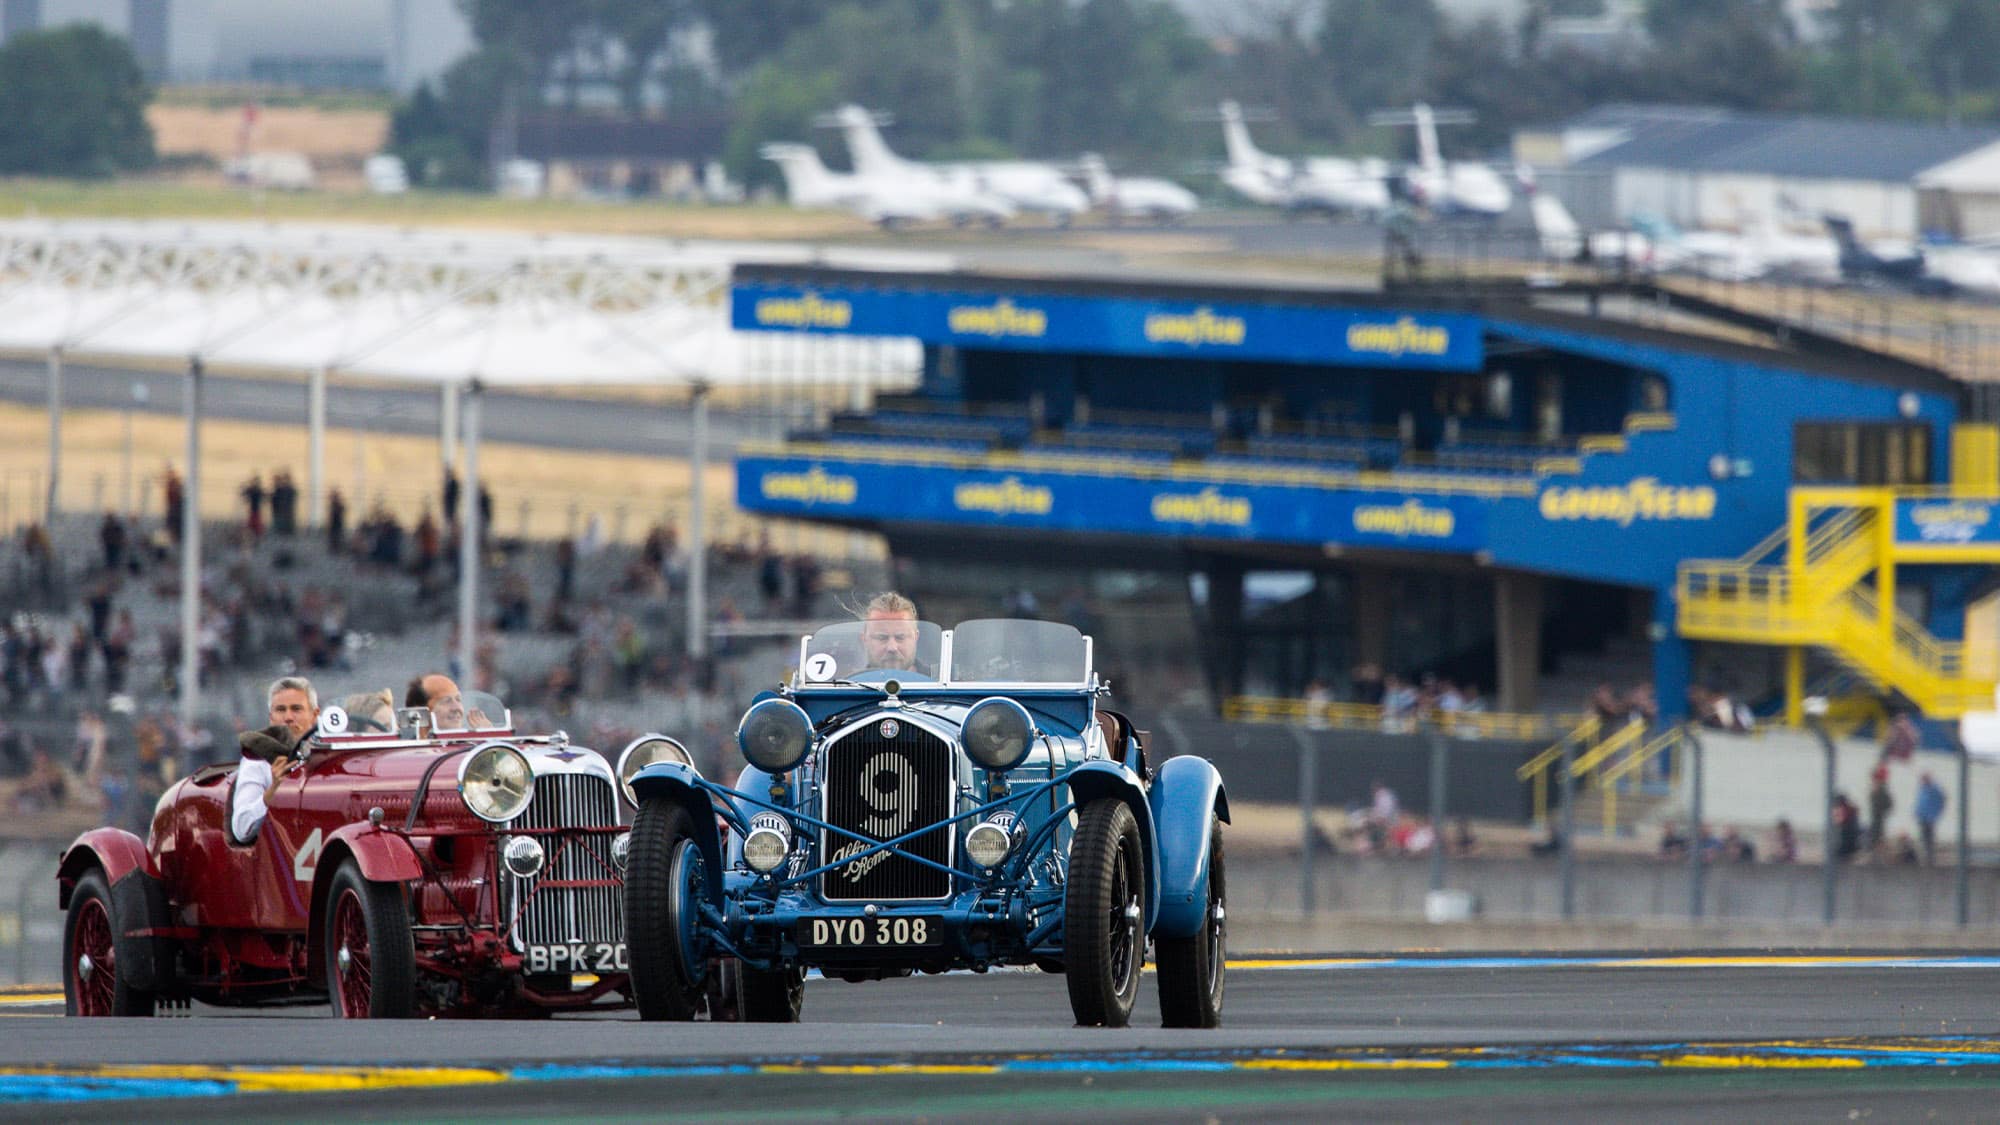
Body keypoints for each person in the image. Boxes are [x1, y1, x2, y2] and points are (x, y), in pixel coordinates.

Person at [231, 676, 317, 843]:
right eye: (281, 710)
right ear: (271, 718)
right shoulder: (256, 759)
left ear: (314, 715)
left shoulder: (331, 752)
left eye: (297, 709)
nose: (288, 717)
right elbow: (241, 829)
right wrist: (274, 790)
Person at [858, 592, 924, 673]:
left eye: (900, 637)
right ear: (864, 639)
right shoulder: (850, 681)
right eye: (881, 638)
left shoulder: (936, 679)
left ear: (916, 637)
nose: (892, 647)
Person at [1915, 772, 1946, 866]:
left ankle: (1930, 859)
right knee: (1923, 838)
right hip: (1922, 817)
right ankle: (1926, 858)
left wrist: (1936, 813)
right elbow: (1920, 803)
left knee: (1929, 839)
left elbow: (1941, 800)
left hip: (1930, 817)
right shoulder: (1922, 789)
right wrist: (1917, 812)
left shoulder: (1934, 789)